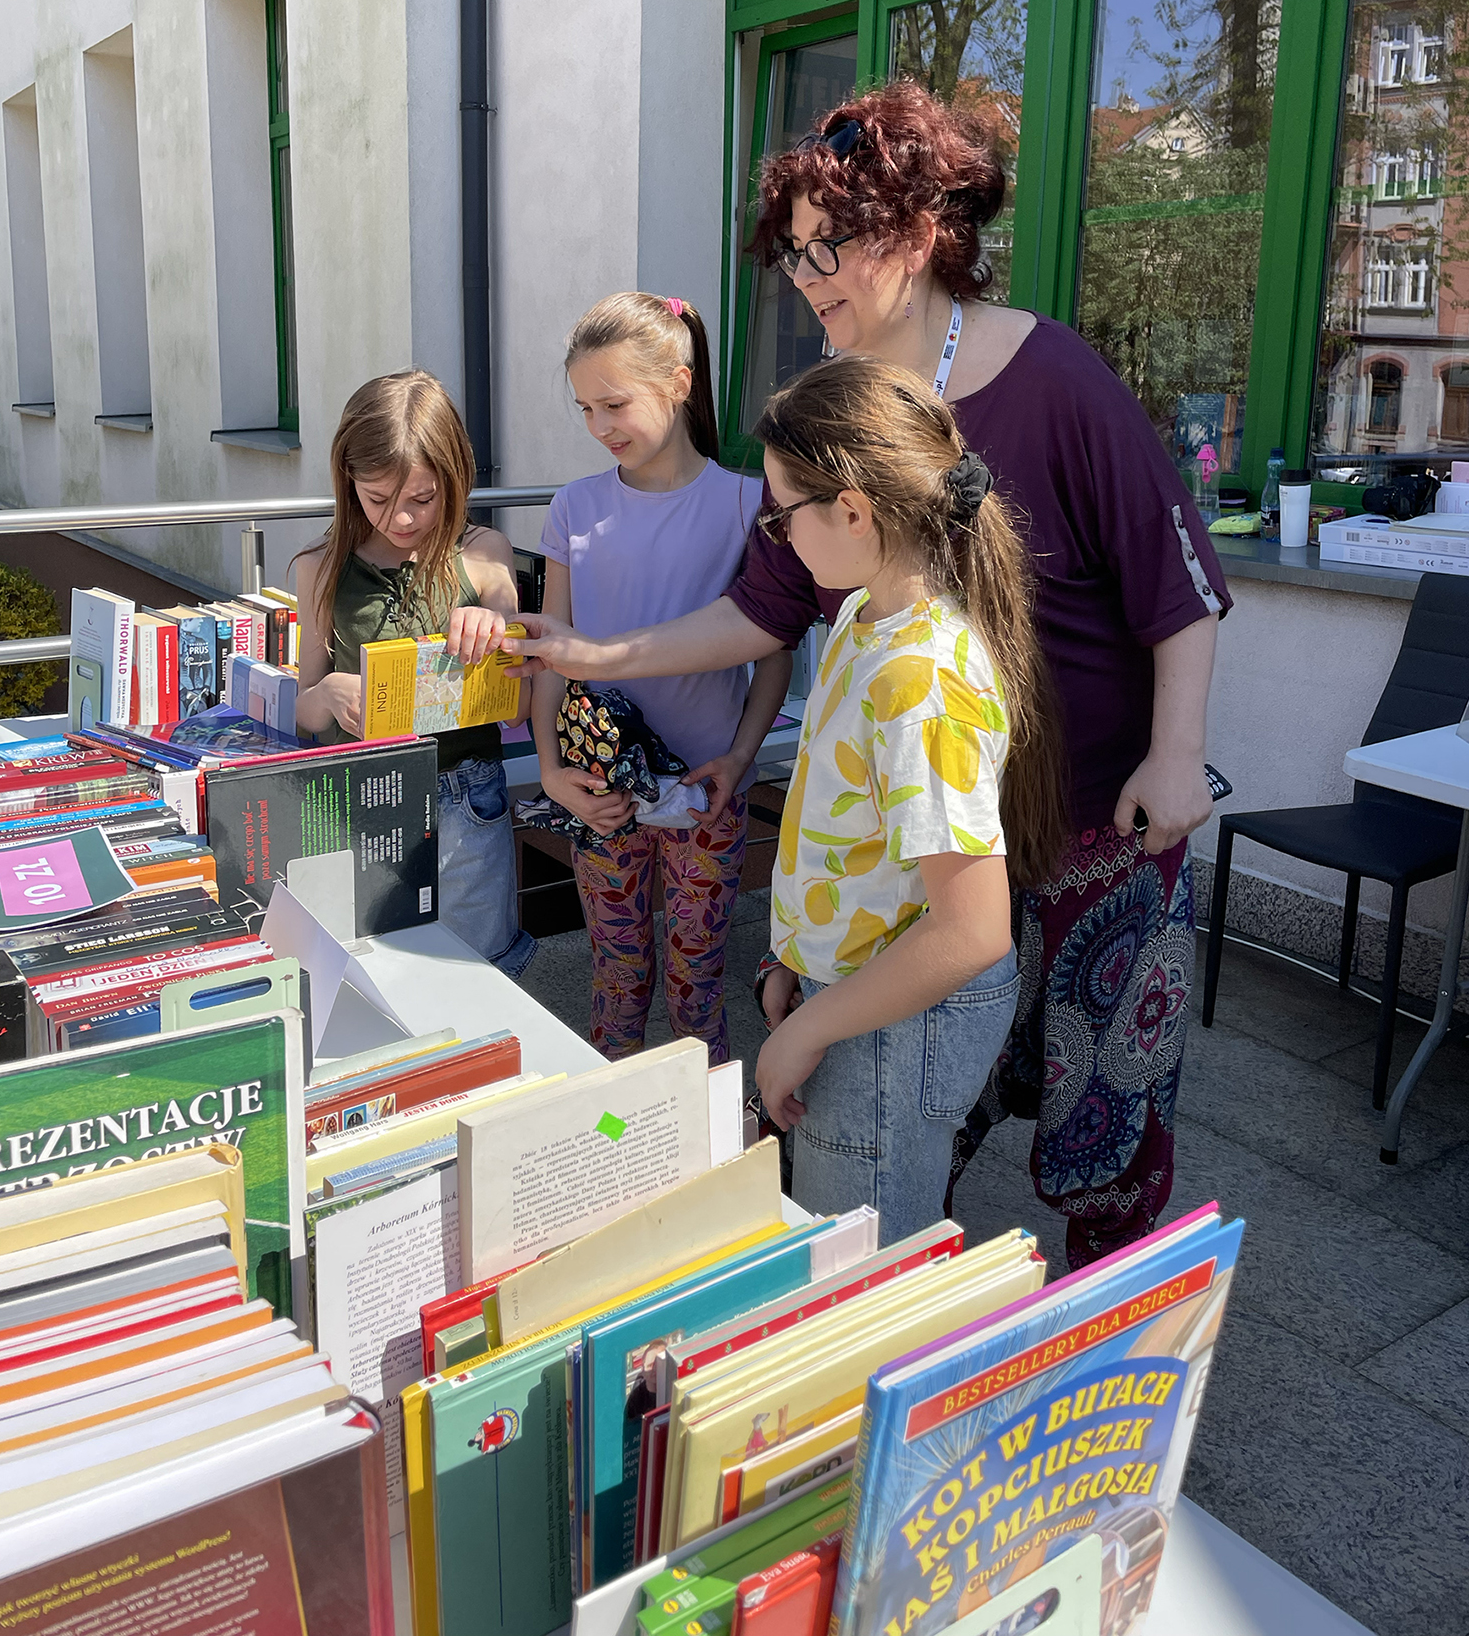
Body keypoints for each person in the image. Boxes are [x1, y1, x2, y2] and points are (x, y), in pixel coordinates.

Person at [505, 80, 1231, 1268]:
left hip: (1100, 808)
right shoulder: (838, 416)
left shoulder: (1053, 376)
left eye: (826, 246)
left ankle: (1113, 1336)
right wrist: (592, 653)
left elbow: (1176, 573)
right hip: (926, 829)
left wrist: (1177, 748)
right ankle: (898, 1291)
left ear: (914, 227)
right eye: (793, 258)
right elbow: (759, 604)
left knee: (1107, 1111)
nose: (808, 280)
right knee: (908, 1096)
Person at [750, 354, 1064, 1244]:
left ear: (851, 509)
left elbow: (970, 929)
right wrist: (793, 964)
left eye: (783, 512)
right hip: (859, 993)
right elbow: (846, 833)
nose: (778, 533)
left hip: (896, 1025)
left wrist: (807, 1030)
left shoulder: (921, 679)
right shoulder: (862, 618)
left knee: (861, 1262)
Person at [534, 293, 792, 1063]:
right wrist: (551, 773)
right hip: (600, 790)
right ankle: (616, 1151)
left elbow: (774, 654)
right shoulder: (574, 508)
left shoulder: (751, 503)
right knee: (614, 983)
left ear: (679, 384)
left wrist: (742, 761)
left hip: (709, 793)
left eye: (614, 403)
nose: (599, 426)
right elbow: (553, 652)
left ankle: (702, 1155)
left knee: (697, 985)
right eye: (585, 408)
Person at [295, 369, 537, 977]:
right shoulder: (321, 570)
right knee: (377, 974)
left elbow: (520, 706)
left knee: (477, 977)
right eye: (376, 500)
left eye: (421, 501)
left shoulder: (483, 554)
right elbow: (301, 714)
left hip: (465, 797)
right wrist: (327, 692)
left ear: (453, 482)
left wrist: (497, 630)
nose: (399, 519)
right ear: (347, 482)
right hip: (361, 799)